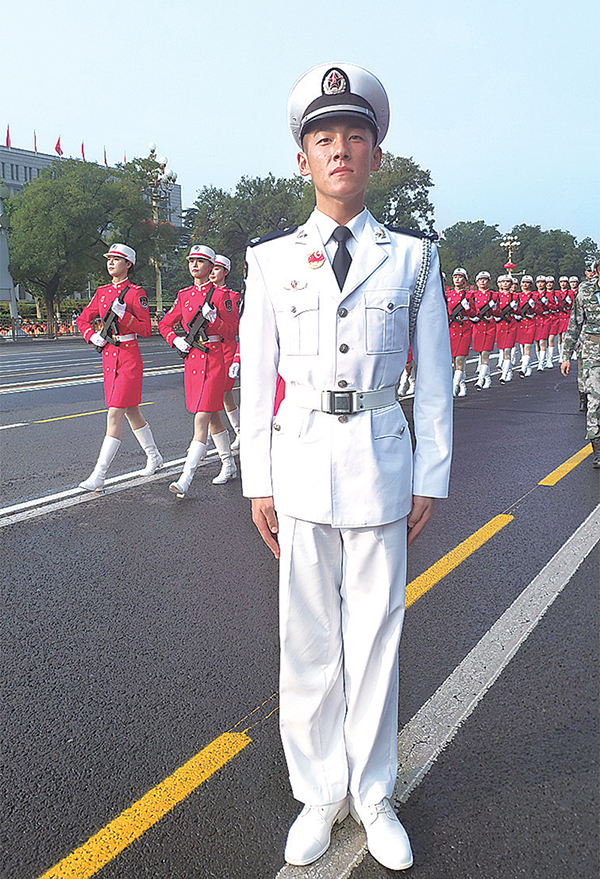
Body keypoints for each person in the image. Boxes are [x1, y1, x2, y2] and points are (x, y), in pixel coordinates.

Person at [239, 62, 453, 871]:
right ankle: (319, 792)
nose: (339, 150)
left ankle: (373, 793)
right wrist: (256, 478)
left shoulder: (414, 259)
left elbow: (435, 378)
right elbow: (258, 377)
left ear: (374, 155)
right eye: (323, 138)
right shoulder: (269, 260)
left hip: (378, 463)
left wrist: (430, 474)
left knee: (375, 640)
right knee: (308, 640)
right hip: (296, 463)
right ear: (303, 159)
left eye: (354, 137)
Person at [76, 244, 162, 491]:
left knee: (114, 413)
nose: (111, 263)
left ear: (128, 264)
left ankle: (99, 475)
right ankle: (154, 456)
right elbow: (83, 319)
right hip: (108, 357)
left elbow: (146, 329)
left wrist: (124, 316)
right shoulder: (102, 292)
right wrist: (92, 335)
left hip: (128, 358)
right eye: (109, 259)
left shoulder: (136, 293)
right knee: (132, 411)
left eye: (117, 259)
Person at [158, 245, 238, 495]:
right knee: (213, 417)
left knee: (201, 417)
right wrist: (175, 339)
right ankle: (229, 464)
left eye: (201, 262)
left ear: (210, 266)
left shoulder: (222, 296)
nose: (195, 265)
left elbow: (232, 332)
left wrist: (214, 319)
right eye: (191, 261)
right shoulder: (184, 295)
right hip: (193, 360)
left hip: (214, 361)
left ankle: (186, 478)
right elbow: (164, 323)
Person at [561, 257, 600, 467]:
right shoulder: (585, 291)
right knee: (596, 399)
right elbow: (574, 323)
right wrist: (566, 356)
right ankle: (598, 449)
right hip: (594, 353)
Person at [210, 254, 242, 451]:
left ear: (225, 272)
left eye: (216, 269)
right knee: (214, 396)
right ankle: (203, 438)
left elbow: (238, 328)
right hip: (209, 350)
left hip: (226, 350)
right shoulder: (203, 294)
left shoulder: (233, 297)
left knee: (223, 394)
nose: (212, 272)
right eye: (211, 268)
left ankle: (239, 431)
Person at [447, 267, 476, 396]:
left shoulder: (469, 295)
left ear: (465, 280)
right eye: (455, 277)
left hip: (463, 328)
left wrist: (467, 307)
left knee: (460, 359)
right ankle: (462, 385)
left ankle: (454, 387)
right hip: (451, 328)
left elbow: (474, 313)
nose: (457, 279)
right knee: (453, 360)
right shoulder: (448, 294)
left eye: (460, 277)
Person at [471, 270, 497, 389]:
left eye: (485, 279)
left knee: (486, 353)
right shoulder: (473, 295)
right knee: (480, 353)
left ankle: (480, 379)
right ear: (476, 282)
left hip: (489, 325)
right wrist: (472, 317)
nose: (482, 281)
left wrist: (495, 307)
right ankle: (487, 378)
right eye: (480, 280)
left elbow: (498, 313)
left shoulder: (494, 295)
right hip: (477, 325)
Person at [495, 274, 519, 382]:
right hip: (500, 323)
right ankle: (508, 371)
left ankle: (504, 374)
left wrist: (515, 308)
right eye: (503, 282)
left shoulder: (514, 297)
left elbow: (519, 312)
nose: (505, 284)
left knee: (508, 350)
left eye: (507, 282)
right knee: (502, 348)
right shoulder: (496, 296)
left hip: (511, 324)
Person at [516, 275, 537, 376]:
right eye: (523, 282)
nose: (525, 285)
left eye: (527, 283)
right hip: (521, 322)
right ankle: (528, 367)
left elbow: (540, 311)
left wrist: (534, 306)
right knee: (522, 345)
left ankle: (523, 368)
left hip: (530, 322)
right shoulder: (517, 296)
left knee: (527, 346)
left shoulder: (535, 296)